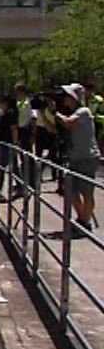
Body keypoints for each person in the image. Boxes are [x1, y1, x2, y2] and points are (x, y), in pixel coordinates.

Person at [52, 83, 100, 237]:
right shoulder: (71, 112)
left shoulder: (83, 112)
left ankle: (85, 223)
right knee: (70, 190)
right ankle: (81, 219)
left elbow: (68, 122)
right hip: (75, 157)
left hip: (87, 156)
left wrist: (55, 112)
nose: (65, 99)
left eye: (67, 96)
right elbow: (55, 128)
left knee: (87, 192)